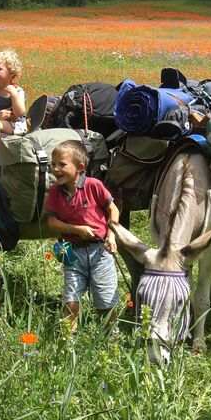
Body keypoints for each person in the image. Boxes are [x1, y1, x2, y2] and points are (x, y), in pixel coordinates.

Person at [45, 140, 120, 334]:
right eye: (53, 164)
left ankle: (111, 337)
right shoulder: (55, 191)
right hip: (73, 252)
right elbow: (52, 223)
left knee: (105, 302)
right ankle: (68, 340)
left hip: (100, 251)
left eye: (62, 164)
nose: (56, 169)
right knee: (70, 301)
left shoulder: (93, 185)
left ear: (79, 167)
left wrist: (111, 236)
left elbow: (113, 209)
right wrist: (76, 229)